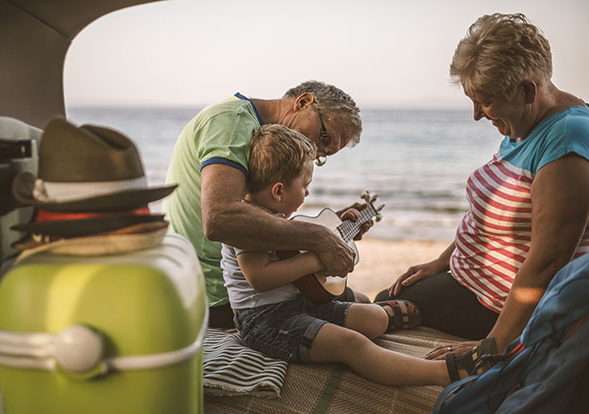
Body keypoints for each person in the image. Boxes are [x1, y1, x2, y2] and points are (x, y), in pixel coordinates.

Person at [375, 13, 589, 361]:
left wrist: (493, 346)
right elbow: (491, 214)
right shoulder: (525, 122)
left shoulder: (565, 139)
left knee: (378, 311)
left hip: (501, 308)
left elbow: (548, 261)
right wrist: (443, 260)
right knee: (384, 301)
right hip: (469, 282)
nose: (476, 114)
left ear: (527, 90)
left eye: (485, 100)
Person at [222, 124, 480, 386]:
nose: (307, 192)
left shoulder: (275, 216)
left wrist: (337, 225)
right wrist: (317, 259)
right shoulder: (248, 225)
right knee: (353, 344)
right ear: (278, 191)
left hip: (300, 303)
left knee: (373, 314)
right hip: (267, 321)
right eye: (305, 186)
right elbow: (259, 278)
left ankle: (384, 317)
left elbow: (298, 245)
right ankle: (445, 373)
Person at [163, 80, 370, 329]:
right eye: (324, 138)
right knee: (359, 306)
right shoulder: (232, 122)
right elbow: (220, 218)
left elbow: (261, 218)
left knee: (360, 302)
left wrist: (331, 229)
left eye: (324, 155)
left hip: (235, 286)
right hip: (215, 295)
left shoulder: (262, 138)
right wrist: (320, 238)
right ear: (304, 102)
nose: (316, 152)